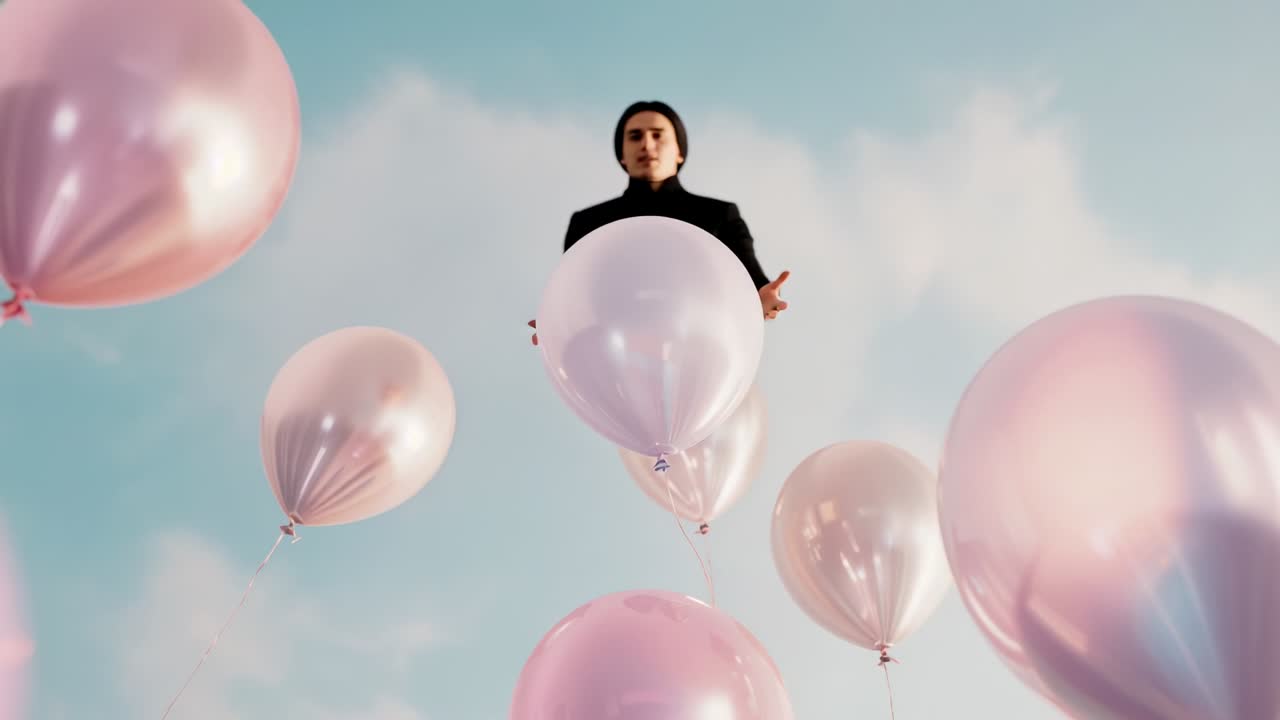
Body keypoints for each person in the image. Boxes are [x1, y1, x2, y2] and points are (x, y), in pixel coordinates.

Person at [530, 100, 790, 345]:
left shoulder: (718, 215)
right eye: (635, 136)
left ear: (680, 152)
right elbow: (572, 294)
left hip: (700, 358)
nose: (646, 144)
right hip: (616, 362)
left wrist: (760, 298)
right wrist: (557, 322)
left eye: (658, 135)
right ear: (622, 155)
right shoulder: (589, 224)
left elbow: (750, 279)